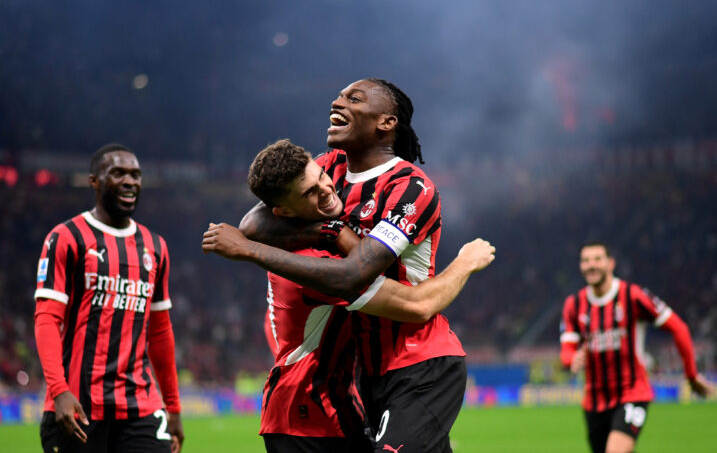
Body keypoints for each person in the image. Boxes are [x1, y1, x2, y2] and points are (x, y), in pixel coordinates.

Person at [212, 78, 469, 453]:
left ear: (386, 122)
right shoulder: (327, 167)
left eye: (354, 98)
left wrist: (260, 249)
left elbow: (354, 275)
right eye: (339, 95)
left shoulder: (410, 187)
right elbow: (253, 224)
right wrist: (333, 230)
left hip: (421, 360)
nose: (338, 101)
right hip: (368, 374)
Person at [33, 143, 184, 453]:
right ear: (95, 181)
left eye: (136, 175)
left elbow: (160, 331)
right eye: (118, 173)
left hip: (140, 406)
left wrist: (173, 405)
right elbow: (47, 318)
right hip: (78, 404)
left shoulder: (155, 247)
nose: (130, 181)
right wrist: (58, 390)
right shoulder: (65, 237)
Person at [559, 242, 712, 453]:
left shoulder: (633, 296)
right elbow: (567, 349)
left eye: (597, 259)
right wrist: (571, 359)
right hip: (594, 401)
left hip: (632, 392)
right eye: (585, 261)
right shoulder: (573, 305)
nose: (591, 265)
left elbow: (679, 328)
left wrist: (692, 376)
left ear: (610, 263)